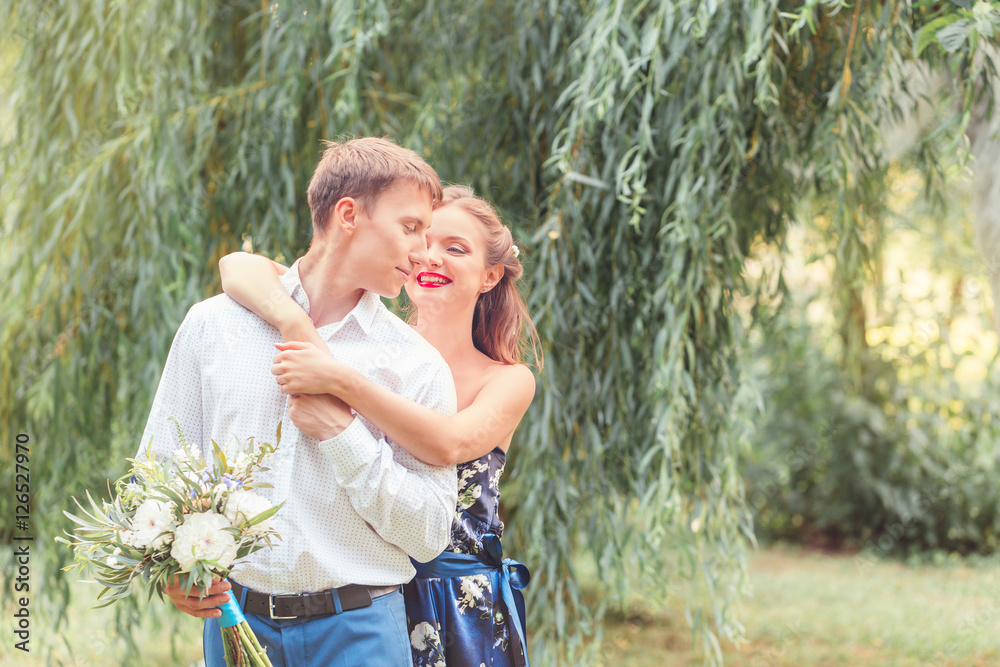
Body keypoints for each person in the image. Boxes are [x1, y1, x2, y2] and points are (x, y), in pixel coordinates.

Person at [137, 137, 460, 667]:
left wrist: (345, 437)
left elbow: (428, 536)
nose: (424, 251)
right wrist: (174, 570)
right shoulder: (213, 326)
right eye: (410, 228)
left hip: (361, 634)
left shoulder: (416, 366)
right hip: (236, 628)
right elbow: (159, 468)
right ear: (348, 214)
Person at [218, 184, 541, 667]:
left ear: (491, 274)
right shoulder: (374, 344)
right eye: (421, 240)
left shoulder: (508, 379)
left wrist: (340, 381)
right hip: (362, 590)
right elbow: (236, 267)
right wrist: (293, 319)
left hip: (456, 604)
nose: (428, 257)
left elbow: (448, 443)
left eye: (454, 248)